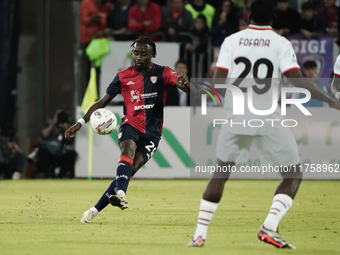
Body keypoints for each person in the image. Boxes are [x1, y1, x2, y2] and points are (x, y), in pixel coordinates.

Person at [187, 0, 340, 249]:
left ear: (248, 15)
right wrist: (331, 101)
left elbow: (217, 82)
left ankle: (199, 235)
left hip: (235, 117)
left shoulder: (231, 41)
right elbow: (299, 82)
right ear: (273, 18)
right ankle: (269, 226)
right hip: (268, 117)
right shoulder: (281, 43)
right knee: (293, 174)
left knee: (220, 173)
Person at [65, 36, 197, 224]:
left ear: (153, 55)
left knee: (130, 170)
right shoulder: (122, 76)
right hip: (130, 124)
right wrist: (80, 123)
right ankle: (121, 193)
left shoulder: (163, 72)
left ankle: (94, 210)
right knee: (127, 149)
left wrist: (186, 84)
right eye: (136, 53)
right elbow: (101, 103)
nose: (139, 57)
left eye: (144, 54)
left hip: (152, 133)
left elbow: (192, 91)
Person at [34, 110, 77, 178]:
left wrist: (65, 128)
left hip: (62, 151)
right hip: (50, 151)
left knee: (72, 154)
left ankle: (64, 174)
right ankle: (42, 173)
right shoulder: (50, 124)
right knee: (42, 152)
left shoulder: (67, 125)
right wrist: (53, 122)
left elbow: (70, 139)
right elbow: (44, 134)